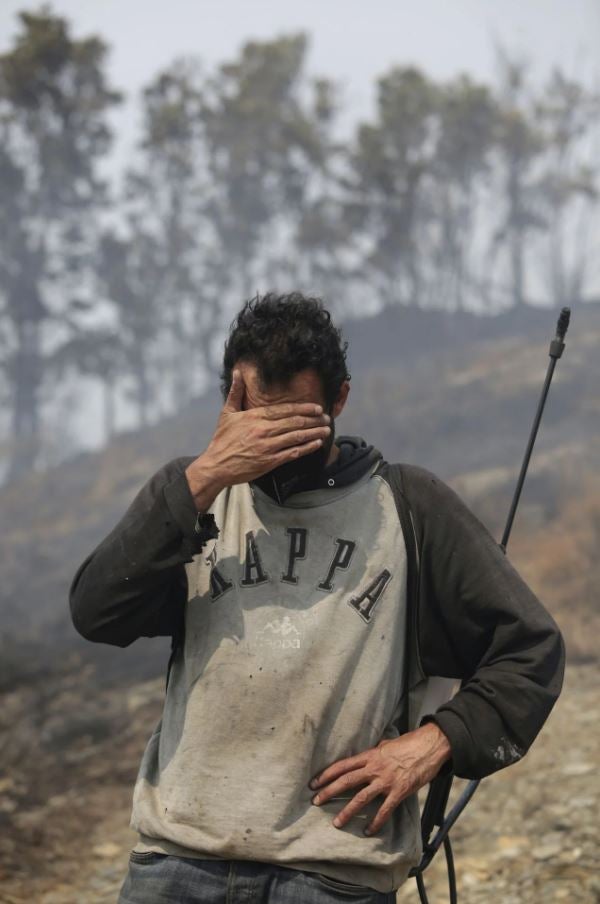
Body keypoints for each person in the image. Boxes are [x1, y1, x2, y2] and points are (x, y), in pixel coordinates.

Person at [69, 292, 565, 904]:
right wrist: (205, 475)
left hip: (332, 870)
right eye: (259, 422)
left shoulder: (408, 507)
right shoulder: (193, 501)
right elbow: (97, 613)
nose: (275, 446)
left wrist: (435, 743)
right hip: (178, 859)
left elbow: (530, 650)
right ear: (231, 401)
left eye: (297, 424)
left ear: (339, 400)